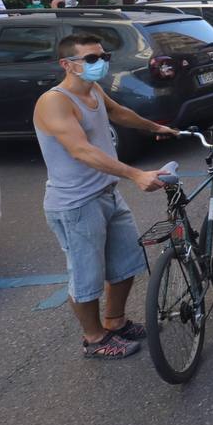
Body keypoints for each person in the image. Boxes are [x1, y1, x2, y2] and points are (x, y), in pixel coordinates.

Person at [32, 34, 178, 359]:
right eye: (92, 59)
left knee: (126, 264)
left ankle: (116, 322)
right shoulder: (55, 101)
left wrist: (155, 126)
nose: (101, 64)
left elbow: (119, 113)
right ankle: (94, 339)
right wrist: (136, 174)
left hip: (106, 194)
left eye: (103, 56)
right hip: (76, 204)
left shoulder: (93, 90)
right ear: (67, 64)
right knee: (86, 277)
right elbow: (80, 150)